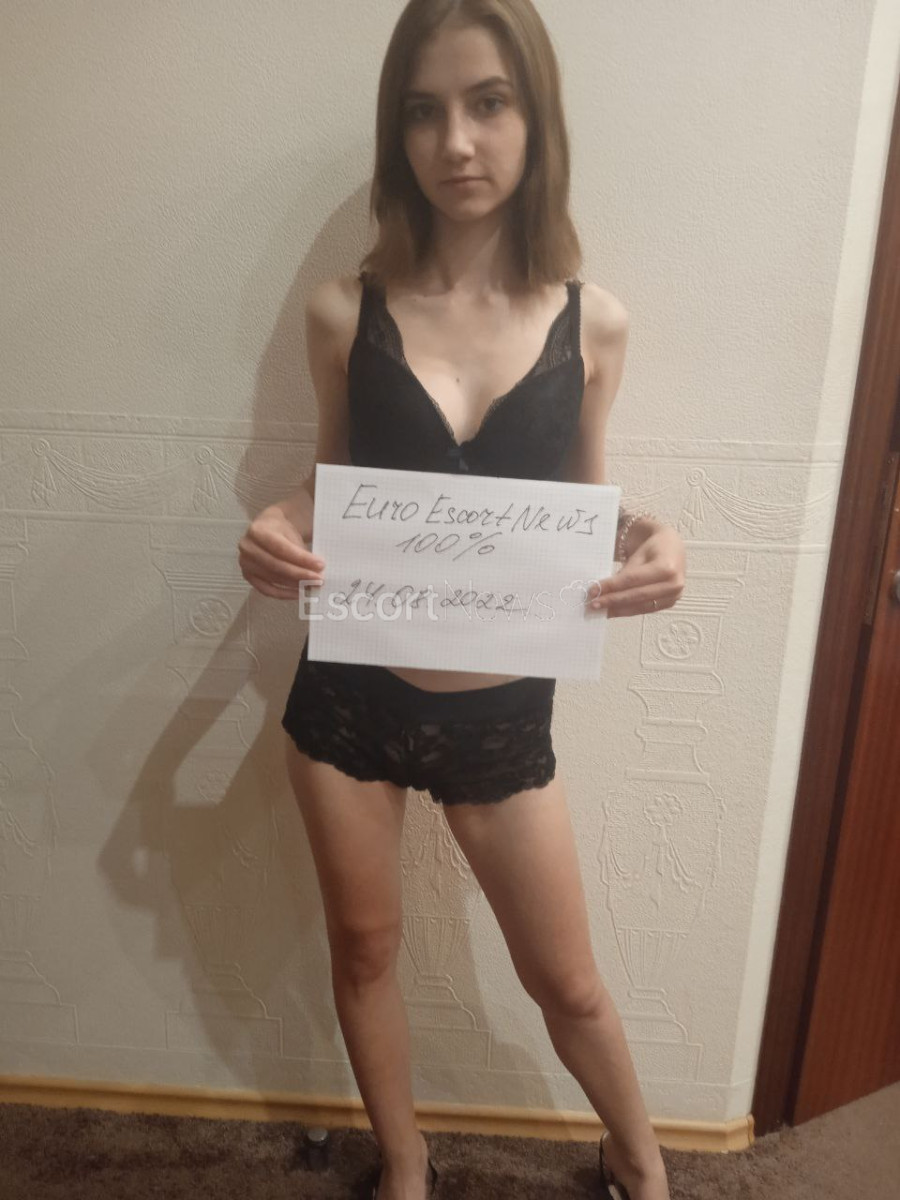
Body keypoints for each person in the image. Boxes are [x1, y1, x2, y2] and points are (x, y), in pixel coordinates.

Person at [238, 2, 685, 1197]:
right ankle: (406, 1163)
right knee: (365, 947)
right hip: (350, 696)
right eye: (424, 111)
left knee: (567, 982)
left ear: (536, 117)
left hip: (501, 711)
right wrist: (278, 523)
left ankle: (640, 1162)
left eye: (489, 103)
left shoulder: (594, 322)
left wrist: (656, 537)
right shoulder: (345, 310)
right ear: (398, 133)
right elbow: (332, 488)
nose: (457, 142)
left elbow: (584, 506)